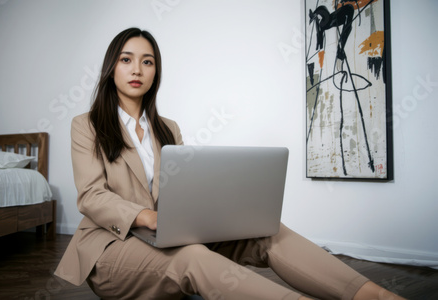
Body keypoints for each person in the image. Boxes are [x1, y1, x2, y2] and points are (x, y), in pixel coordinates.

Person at [54, 27, 405, 300]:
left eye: (147, 61)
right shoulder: (85, 125)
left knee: (268, 232)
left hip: (169, 237)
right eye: (126, 59)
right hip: (113, 251)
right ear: (111, 67)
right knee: (191, 255)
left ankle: (373, 294)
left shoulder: (168, 129)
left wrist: (210, 213)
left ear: (155, 71)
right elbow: (91, 196)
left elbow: (182, 190)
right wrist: (146, 217)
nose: (137, 69)